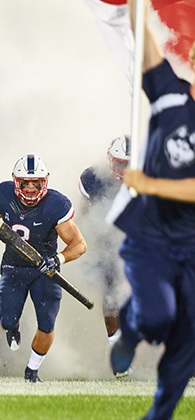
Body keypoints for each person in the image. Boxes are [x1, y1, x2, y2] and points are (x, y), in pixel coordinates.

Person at [108, 2, 195, 417]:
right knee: (159, 319)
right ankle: (131, 325)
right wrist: (133, 7)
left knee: (187, 342)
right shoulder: (169, 94)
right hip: (152, 237)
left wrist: (150, 183)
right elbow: (142, 38)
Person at [0, 154, 86, 382]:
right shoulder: (4, 195)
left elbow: (79, 245)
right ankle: (12, 327)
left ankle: (32, 370)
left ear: (45, 182)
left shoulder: (55, 205)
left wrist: (57, 260)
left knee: (46, 323)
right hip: (14, 265)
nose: (31, 188)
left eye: (36, 183)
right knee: (6, 320)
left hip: (45, 270)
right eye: (26, 183)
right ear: (16, 182)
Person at [78, 135, 130, 351]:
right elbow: (85, 214)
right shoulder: (94, 178)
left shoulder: (151, 175)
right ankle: (116, 348)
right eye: (121, 164)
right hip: (108, 243)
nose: (126, 170)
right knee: (111, 295)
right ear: (111, 160)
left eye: (130, 165)